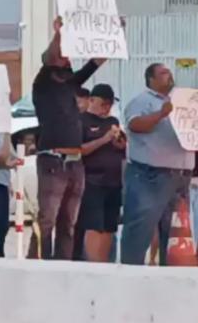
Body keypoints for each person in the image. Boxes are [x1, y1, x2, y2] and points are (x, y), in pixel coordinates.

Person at [29, 16, 111, 260]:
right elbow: (50, 55)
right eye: (64, 56)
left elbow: (96, 62)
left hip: (75, 162)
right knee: (47, 219)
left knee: (68, 222)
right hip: (53, 159)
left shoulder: (71, 83)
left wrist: (111, 33)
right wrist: (59, 33)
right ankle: (38, 264)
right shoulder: (43, 81)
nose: (67, 58)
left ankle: (63, 266)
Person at [120, 63, 193, 265]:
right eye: (163, 73)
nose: (169, 76)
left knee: (174, 232)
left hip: (180, 175)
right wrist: (162, 113)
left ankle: (169, 270)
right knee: (141, 227)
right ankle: (130, 270)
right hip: (150, 175)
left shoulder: (180, 101)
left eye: (169, 73)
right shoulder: (141, 101)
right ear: (151, 80)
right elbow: (134, 125)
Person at [75, 84, 126, 262]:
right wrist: (104, 139)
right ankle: (92, 262)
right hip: (92, 180)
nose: (106, 109)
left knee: (109, 226)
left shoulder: (113, 122)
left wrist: (119, 144)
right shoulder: (82, 121)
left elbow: (122, 149)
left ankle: (104, 263)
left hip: (113, 181)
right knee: (93, 225)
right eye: (103, 104)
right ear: (91, 100)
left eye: (109, 105)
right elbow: (80, 149)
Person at [0, 132, 22, 258]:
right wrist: (7, 136)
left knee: (3, 224)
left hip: (2, 182)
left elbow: (11, 157)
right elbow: (1, 158)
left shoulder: (2, 134)